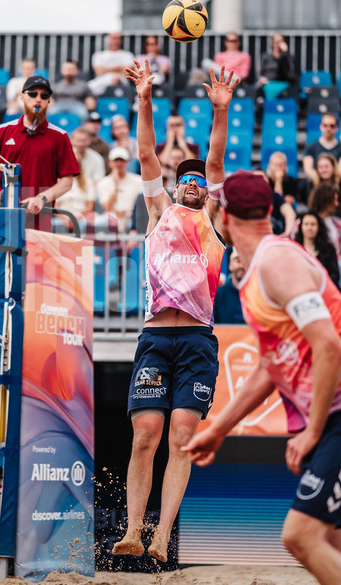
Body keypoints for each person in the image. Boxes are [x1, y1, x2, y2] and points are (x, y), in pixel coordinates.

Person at [183, 170, 341, 585]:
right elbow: (270, 366)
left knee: (299, 537)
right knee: (334, 553)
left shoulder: (276, 261)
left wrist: (312, 432)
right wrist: (219, 429)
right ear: (269, 211)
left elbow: (330, 347)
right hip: (340, 417)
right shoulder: (263, 265)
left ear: (225, 218)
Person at [111, 60, 236, 563]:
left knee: (181, 438)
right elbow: (146, 153)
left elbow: (217, 157)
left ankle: (163, 536)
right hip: (156, 339)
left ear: (206, 189)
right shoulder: (158, 212)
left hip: (198, 340)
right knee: (145, 436)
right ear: (176, 185)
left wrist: (220, 111)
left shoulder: (212, 219)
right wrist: (143, 99)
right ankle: (133, 531)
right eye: (185, 178)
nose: (193, 183)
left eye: (199, 180)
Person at [0, 76, 80, 231]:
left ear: (49, 101)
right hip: (1, 215)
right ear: (22, 96)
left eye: (44, 96)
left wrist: (42, 198)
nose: (38, 99)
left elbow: (67, 182)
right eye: (33, 94)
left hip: (39, 219)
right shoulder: (2, 131)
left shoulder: (60, 136)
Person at [96, 146, 140, 231]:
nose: (119, 164)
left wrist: (127, 213)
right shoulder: (103, 182)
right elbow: (107, 207)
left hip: (131, 218)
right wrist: (116, 186)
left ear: (127, 162)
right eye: (116, 161)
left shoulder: (138, 181)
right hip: (110, 219)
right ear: (110, 163)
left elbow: (140, 205)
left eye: (122, 161)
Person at [292, 211, 340, 287]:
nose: (309, 228)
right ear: (301, 227)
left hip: (324, 288)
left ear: (319, 227)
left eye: (313, 224)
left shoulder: (329, 248)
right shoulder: (295, 249)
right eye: (306, 224)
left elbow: (335, 275)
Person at [302, 114, 341, 184]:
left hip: (335, 183)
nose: (328, 128)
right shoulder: (311, 147)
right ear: (321, 127)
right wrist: (320, 180)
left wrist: (330, 181)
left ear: (337, 128)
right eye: (325, 125)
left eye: (332, 126)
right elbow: (308, 169)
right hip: (316, 183)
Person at [257, 32, 297, 97]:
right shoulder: (266, 56)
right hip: (268, 84)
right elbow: (259, 72)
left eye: (281, 41)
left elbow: (290, 72)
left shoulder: (288, 57)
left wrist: (285, 53)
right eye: (277, 42)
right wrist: (261, 78)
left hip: (284, 85)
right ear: (272, 43)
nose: (279, 44)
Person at [213, 250, 245, 324]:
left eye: (245, 262)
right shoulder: (219, 294)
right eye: (238, 261)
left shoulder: (258, 294)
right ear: (230, 265)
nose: (242, 266)